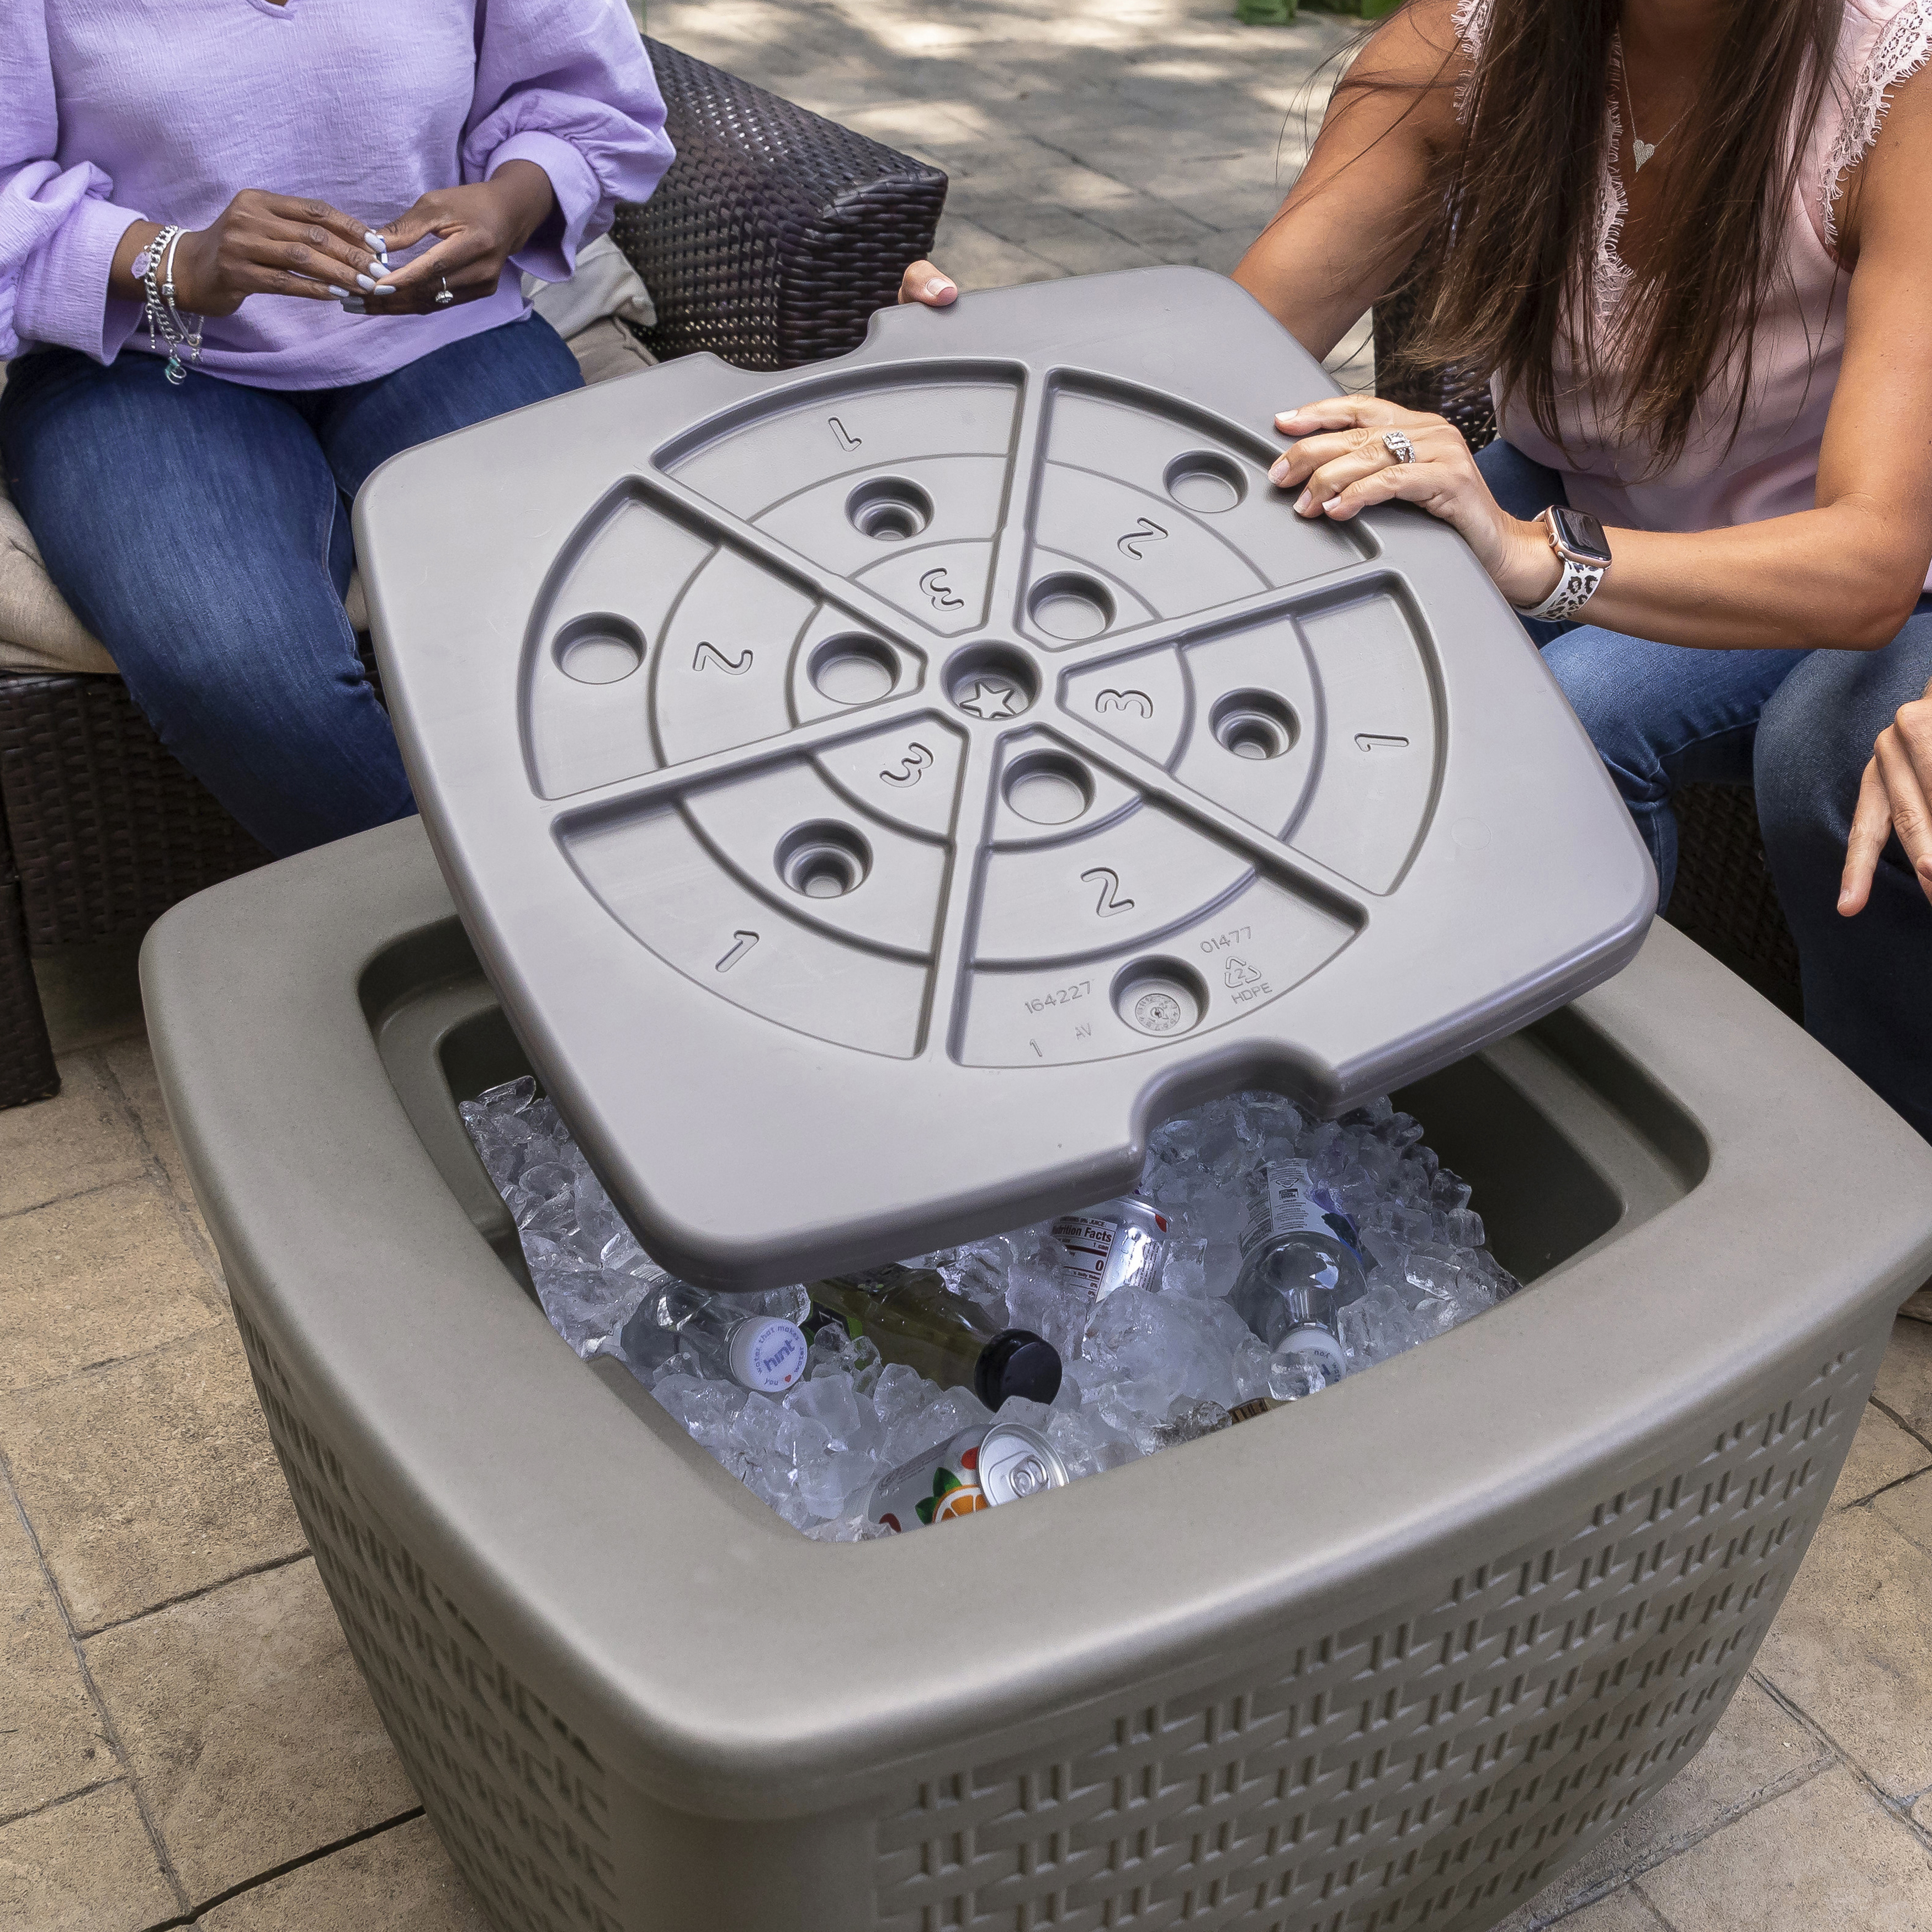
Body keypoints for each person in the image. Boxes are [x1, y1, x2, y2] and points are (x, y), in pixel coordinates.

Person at [904, 0, 1932, 1142]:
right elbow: (1221, 358)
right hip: (1571, 487)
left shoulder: (1896, 91)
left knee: (1567, 725)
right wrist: (978, 379)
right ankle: (1267, 1073)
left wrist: (1529, 560)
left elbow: (1868, 560)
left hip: (1819, 560)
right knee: (1285, 630)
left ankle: (1605, 1158)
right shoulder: (1473, 46)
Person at [0, 0, 674, 857]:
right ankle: (528, 931)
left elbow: (585, 99)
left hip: (444, 334)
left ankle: (542, 924)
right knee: (236, 670)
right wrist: (174, 260)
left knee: (592, 607)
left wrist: (508, 207)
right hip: (147, 358)